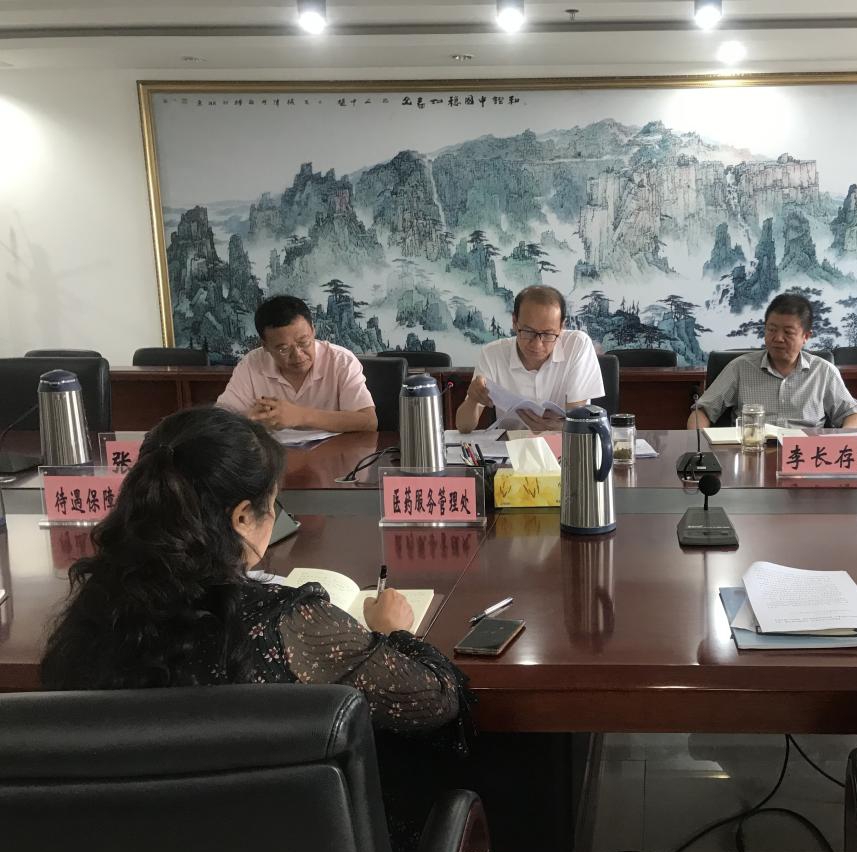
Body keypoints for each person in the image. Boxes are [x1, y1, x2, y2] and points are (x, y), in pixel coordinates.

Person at [40, 406, 472, 849]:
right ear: (242, 517)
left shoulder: (92, 613)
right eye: (273, 504)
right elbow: (437, 699)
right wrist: (394, 634)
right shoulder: (286, 624)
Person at [688, 293, 857, 429]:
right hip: (752, 451)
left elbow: (855, 416)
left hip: (804, 456)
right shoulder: (740, 367)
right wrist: (701, 447)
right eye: (771, 330)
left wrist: (840, 440)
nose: (778, 338)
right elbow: (702, 411)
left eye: (788, 332)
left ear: (806, 336)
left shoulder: (823, 371)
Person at [217, 295, 377, 432]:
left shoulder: (341, 361)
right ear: (265, 345)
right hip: (271, 454)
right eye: (283, 349)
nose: (297, 355)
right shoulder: (251, 364)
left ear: (313, 330)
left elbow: (369, 422)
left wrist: (300, 416)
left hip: (334, 454)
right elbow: (218, 422)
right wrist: (250, 418)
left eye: (304, 342)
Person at [456, 285, 604, 433]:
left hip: (564, 443)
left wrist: (558, 427)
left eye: (548, 334)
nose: (537, 344)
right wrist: (473, 400)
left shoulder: (577, 345)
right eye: (528, 331)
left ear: (561, 327)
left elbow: (579, 422)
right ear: (515, 322)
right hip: (511, 446)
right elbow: (464, 426)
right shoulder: (492, 354)